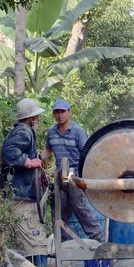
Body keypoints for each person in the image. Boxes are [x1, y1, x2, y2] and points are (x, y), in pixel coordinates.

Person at [41, 99, 104, 242]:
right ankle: (63, 240)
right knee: (60, 208)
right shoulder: (51, 132)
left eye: (62, 111)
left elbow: (86, 154)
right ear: (53, 114)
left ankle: (97, 236)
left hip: (74, 174)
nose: (59, 115)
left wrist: (87, 176)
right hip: (59, 174)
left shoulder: (78, 131)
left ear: (69, 112)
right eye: (56, 112)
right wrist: (37, 158)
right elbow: (48, 149)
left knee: (79, 206)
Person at [0, 98, 48, 267]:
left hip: (19, 193)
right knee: (36, 238)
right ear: (31, 118)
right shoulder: (24, 132)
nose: (38, 119)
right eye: (37, 116)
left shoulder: (23, 131)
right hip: (21, 195)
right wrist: (29, 162)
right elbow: (9, 152)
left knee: (31, 237)